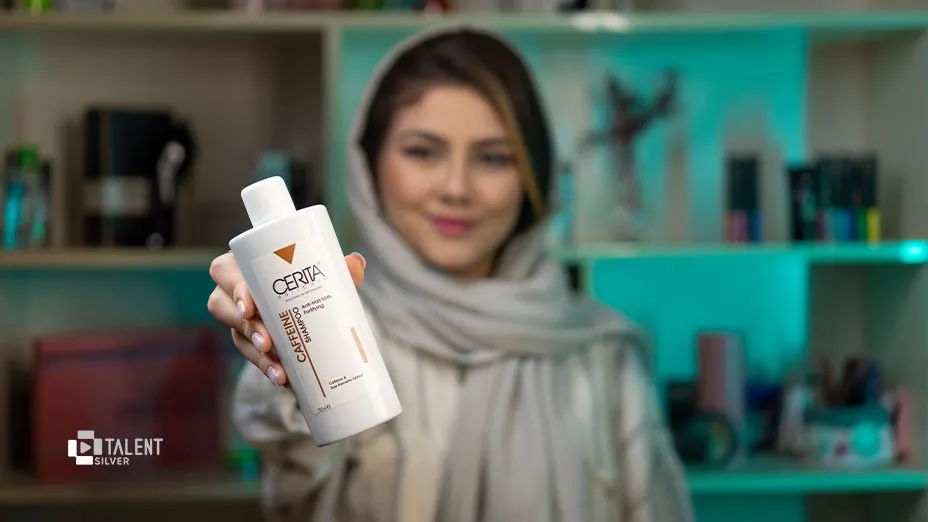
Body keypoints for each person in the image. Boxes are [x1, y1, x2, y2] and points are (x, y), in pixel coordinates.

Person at [207, 26, 694, 522]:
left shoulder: (603, 353)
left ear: (535, 175)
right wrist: (286, 354)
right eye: (423, 152)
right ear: (369, 166)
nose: (456, 188)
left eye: (493, 157)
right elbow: (289, 480)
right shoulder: (340, 333)